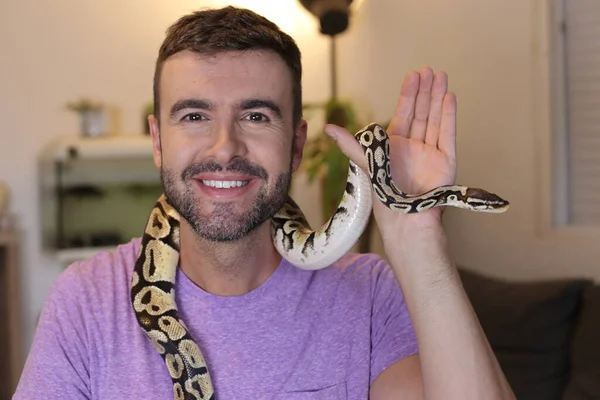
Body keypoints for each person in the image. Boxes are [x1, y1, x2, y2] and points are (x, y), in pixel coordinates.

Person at [13, 5, 515, 400]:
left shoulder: (370, 297)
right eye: (193, 116)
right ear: (157, 141)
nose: (224, 147)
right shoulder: (86, 301)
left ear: (297, 144)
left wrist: (417, 236)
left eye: (255, 116)